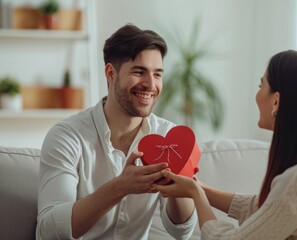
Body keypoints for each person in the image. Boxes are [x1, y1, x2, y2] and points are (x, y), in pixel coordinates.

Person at [154, 50, 297, 239]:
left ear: (276, 101)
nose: (257, 94)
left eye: (261, 86)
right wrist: (199, 187)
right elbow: (267, 210)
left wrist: (195, 194)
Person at [36, 24, 197, 239]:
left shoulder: (169, 136)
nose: (151, 85)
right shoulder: (67, 137)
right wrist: (120, 187)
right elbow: (48, 231)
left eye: (157, 74)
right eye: (139, 72)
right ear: (111, 73)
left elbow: (182, 232)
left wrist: (179, 181)